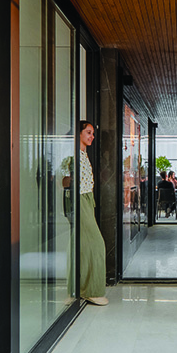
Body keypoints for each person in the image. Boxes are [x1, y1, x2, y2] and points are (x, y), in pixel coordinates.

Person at [78, 120, 108, 306]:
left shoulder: (83, 154)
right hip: (79, 199)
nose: (92, 136)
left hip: (87, 199)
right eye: (88, 132)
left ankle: (79, 288)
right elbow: (64, 179)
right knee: (96, 244)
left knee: (80, 245)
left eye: (92, 133)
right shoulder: (73, 155)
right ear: (78, 134)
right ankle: (92, 290)